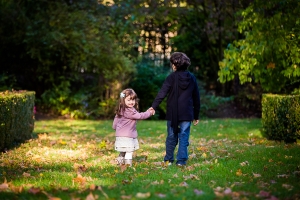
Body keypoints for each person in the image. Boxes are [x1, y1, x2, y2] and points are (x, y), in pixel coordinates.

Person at [150, 52, 200, 167]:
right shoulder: (192, 78)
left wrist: (154, 106)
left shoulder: (171, 78)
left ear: (174, 65)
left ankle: (168, 160)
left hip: (173, 113)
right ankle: (181, 161)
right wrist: (196, 115)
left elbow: (162, 93)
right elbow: (196, 98)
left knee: (171, 136)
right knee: (184, 136)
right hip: (187, 113)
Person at [113, 88, 155, 167]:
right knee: (129, 151)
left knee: (124, 149)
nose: (131, 102)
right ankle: (128, 166)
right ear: (123, 100)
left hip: (120, 135)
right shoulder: (130, 111)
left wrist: (116, 128)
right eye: (129, 100)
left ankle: (120, 161)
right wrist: (149, 112)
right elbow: (140, 116)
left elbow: (115, 121)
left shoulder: (121, 109)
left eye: (133, 100)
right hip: (127, 135)